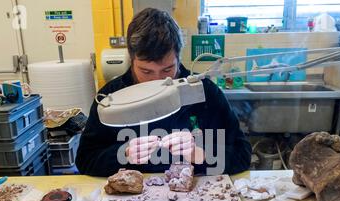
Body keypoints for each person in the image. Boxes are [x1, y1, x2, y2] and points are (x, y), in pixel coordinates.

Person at [76, 8, 251, 177]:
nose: (157, 81)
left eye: (167, 69)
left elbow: (242, 154)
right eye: (146, 72)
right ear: (131, 59)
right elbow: (85, 160)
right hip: (132, 199)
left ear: (178, 57)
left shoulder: (204, 92)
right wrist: (123, 154)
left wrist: (201, 154)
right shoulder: (112, 98)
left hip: (194, 196)